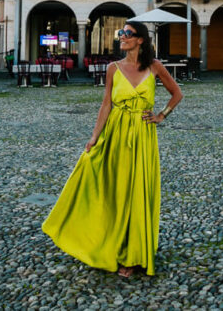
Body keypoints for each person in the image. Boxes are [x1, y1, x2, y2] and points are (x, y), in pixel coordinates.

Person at [43, 20, 183, 278]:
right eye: (121, 33)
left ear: (140, 39)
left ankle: (133, 254)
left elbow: (177, 94)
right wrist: (95, 136)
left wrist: (161, 115)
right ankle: (106, 242)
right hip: (115, 134)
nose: (122, 37)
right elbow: (106, 104)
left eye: (127, 34)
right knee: (113, 191)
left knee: (135, 191)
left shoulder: (155, 67)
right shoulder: (112, 68)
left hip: (142, 136)